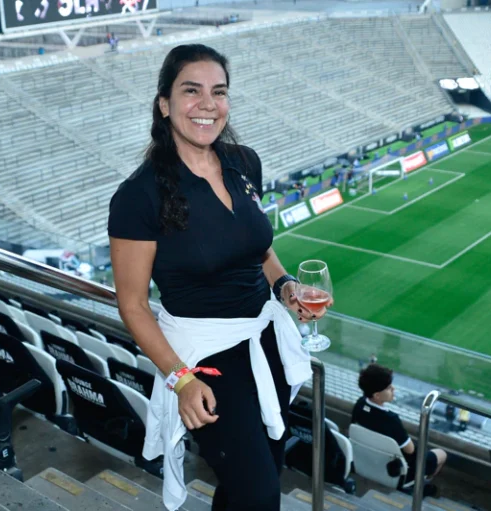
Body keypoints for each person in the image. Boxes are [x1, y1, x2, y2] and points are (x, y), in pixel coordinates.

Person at [108, 44, 331, 511]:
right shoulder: (137, 196)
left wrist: (285, 286)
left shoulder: (244, 162)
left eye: (219, 92)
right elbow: (133, 305)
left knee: (253, 480)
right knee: (260, 495)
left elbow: (256, 247)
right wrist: (181, 379)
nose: (208, 104)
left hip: (264, 343)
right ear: (164, 104)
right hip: (204, 359)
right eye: (192, 91)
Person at [351, 364, 447, 495]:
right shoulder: (391, 420)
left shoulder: (360, 404)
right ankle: (418, 486)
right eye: (388, 388)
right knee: (441, 454)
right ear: (377, 395)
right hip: (396, 471)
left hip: (367, 462)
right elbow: (410, 450)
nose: (393, 388)